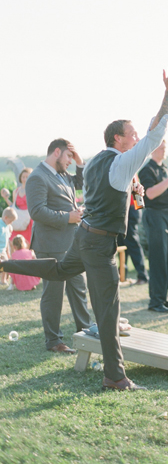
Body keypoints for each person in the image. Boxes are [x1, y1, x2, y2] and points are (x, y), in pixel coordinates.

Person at [1, 64, 168, 391]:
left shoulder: (99, 159)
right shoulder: (121, 160)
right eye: (133, 135)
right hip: (99, 245)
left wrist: (130, 188)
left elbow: (100, 188)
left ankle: (4, 263)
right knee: (108, 310)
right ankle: (115, 377)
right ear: (119, 139)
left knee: (58, 270)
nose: (139, 138)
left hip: (84, 236)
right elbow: (156, 133)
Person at [26, 138, 92, 354]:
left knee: (79, 288)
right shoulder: (37, 177)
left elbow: (82, 182)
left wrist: (80, 159)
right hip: (50, 245)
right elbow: (36, 211)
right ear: (56, 152)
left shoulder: (63, 175)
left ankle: (86, 331)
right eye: (68, 157)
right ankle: (54, 341)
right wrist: (69, 217)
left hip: (70, 243)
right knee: (54, 293)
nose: (70, 163)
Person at [138, 139, 168, 312]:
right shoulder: (147, 170)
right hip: (154, 216)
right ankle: (155, 302)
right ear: (153, 149)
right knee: (158, 260)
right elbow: (149, 194)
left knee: (167, 260)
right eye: (162, 147)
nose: (165, 150)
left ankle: (163, 298)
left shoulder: (164, 169)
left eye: (166, 147)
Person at [117, 202, 148, 285]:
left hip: (130, 209)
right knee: (121, 244)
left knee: (133, 244)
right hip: (121, 209)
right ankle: (122, 276)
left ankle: (143, 276)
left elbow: (139, 197)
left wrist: (137, 208)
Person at [2, 167, 33, 245]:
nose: (25, 179)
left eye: (27, 177)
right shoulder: (16, 191)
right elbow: (13, 206)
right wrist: (5, 199)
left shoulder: (31, 191)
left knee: (27, 242)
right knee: (13, 242)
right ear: (20, 177)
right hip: (17, 220)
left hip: (28, 221)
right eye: (23, 177)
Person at [0, 207, 16, 289]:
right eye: (11, 221)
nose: (11, 223)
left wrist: (8, 251)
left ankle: (3, 280)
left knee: (5, 265)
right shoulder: (0, 226)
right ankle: (3, 280)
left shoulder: (7, 226)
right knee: (2, 266)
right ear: (6, 217)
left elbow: (6, 240)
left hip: (3, 251)